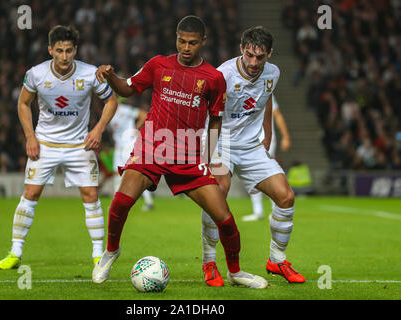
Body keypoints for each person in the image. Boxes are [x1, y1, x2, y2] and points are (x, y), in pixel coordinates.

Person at [92, 15, 268, 289]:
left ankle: (235, 271)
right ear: (176, 38)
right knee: (121, 201)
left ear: (203, 42)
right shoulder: (158, 64)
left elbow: (217, 120)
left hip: (188, 157)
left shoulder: (213, 78)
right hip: (152, 147)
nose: (186, 48)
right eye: (181, 41)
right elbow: (127, 88)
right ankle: (111, 251)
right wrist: (111, 75)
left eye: (192, 43)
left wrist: (208, 159)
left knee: (224, 217)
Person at [0, 25, 119, 270]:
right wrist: (30, 137)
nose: (64, 57)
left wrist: (98, 129)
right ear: (50, 49)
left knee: (91, 196)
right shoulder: (36, 74)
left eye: (69, 51)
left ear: (76, 50)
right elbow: (23, 103)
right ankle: (15, 252)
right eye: (59, 51)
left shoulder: (90, 73)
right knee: (30, 194)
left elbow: (111, 101)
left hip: (79, 145)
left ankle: (97, 256)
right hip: (45, 144)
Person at [201, 26, 305, 286]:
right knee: (219, 192)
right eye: (249, 55)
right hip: (221, 141)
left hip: (251, 146)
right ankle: (209, 262)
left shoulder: (273, 73)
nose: (253, 63)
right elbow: (210, 115)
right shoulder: (222, 75)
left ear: (269, 54)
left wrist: (267, 135)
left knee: (286, 196)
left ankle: (277, 260)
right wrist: (207, 154)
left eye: (260, 57)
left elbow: (267, 98)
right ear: (241, 50)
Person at [243, 94, 291, 221]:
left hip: (266, 139)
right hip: (248, 139)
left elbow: (277, 114)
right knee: (252, 175)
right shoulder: (241, 87)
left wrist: (285, 136)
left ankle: (276, 208)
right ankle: (258, 210)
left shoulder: (265, 88)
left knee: (268, 173)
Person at [108, 96, 154, 211]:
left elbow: (143, 115)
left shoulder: (125, 109)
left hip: (129, 145)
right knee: (117, 174)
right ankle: (116, 204)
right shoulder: (108, 112)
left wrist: (134, 130)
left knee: (136, 173)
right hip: (119, 147)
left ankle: (148, 202)